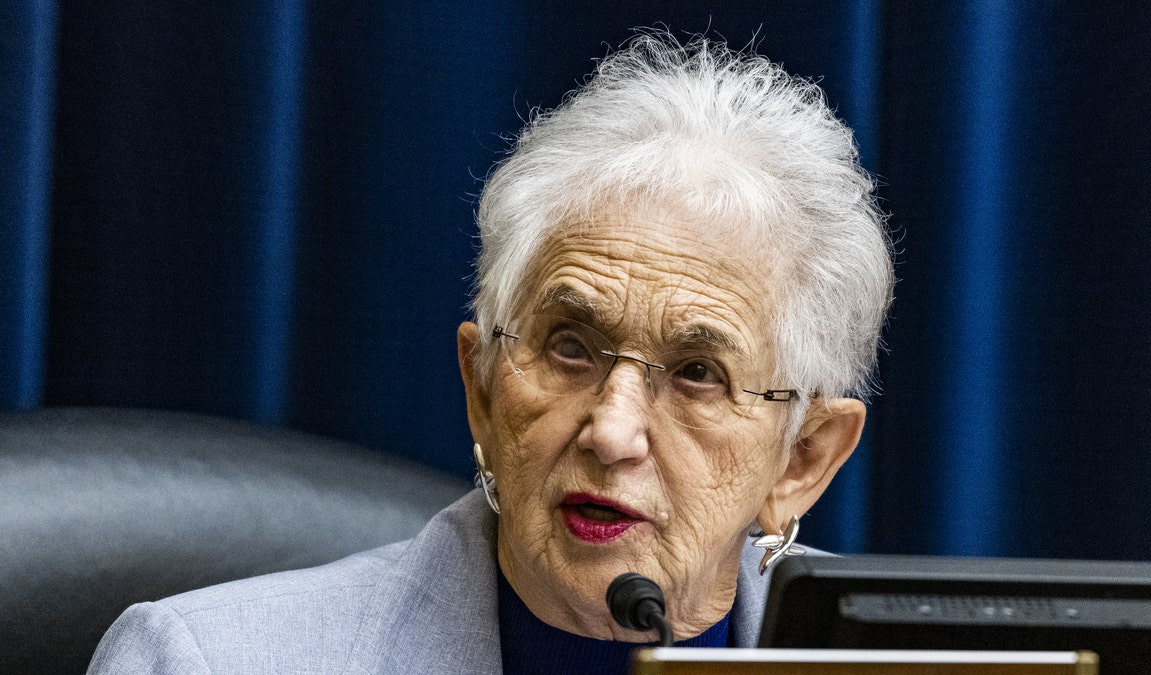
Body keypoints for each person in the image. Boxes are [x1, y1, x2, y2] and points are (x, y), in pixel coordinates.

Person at [88, 31, 893, 673]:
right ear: (481, 384)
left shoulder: (926, 668)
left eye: (696, 374)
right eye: (571, 347)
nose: (611, 433)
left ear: (804, 460)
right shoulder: (198, 662)